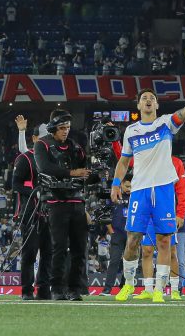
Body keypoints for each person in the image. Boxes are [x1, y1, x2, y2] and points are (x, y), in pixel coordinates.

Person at [111, 72, 185, 303]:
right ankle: (128, 285)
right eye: (144, 98)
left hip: (163, 189)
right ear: (138, 104)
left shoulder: (165, 123)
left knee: (164, 241)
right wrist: (116, 183)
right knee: (133, 239)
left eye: (151, 98)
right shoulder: (131, 131)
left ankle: (159, 289)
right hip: (139, 190)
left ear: (156, 104)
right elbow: (124, 161)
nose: (148, 100)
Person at [33, 110, 91, 301]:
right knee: (58, 248)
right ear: (52, 128)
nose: (65, 131)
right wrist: (73, 173)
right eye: (61, 128)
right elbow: (45, 168)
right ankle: (56, 288)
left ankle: (74, 289)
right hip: (55, 203)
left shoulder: (75, 146)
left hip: (77, 202)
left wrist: (97, 171)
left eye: (67, 128)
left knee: (79, 249)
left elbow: (87, 170)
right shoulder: (42, 145)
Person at [133, 156, 185, 301]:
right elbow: (124, 158)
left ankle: (174, 289)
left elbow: (181, 190)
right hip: (147, 212)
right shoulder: (145, 157)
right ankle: (148, 289)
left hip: (166, 211)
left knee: (171, 251)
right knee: (146, 251)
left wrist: (180, 213)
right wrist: (116, 143)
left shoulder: (176, 162)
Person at [12, 124, 52, 300]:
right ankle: (27, 291)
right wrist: (34, 192)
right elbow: (15, 184)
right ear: (35, 139)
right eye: (42, 138)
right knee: (29, 252)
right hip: (30, 212)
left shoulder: (51, 159)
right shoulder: (25, 158)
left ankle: (43, 290)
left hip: (49, 212)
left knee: (48, 252)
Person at [101, 176, 132, 296]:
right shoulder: (114, 197)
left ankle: (124, 288)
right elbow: (105, 214)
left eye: (131, 186)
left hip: (131, 235)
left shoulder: (135, 198)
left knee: (128, 263)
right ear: (121, 185)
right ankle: (107, 289)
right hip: (118, 234)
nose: (129, 189)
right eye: (127, 186)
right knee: (114, 261)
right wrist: (111, 231)